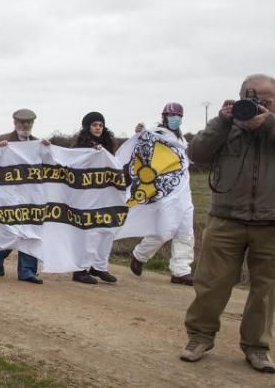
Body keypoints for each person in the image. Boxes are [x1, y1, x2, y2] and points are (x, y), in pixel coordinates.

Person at [180, 74, 275, 373]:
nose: (259, 104)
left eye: (267, 99)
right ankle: (200, 337)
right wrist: (221, 122)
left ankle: (257, 347)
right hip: (225, 219)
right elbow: (195, 154)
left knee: (266, 290)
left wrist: (269, 123)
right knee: (211, 283)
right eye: (254, 97)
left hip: (270, 222)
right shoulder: (226, 126)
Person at [129, 103, 195, 285]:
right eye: (172, 115)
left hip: (184, 192)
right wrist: (138, 133)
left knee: (185, 233)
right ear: (164, 116)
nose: (176, 118)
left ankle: (181, 271)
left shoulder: (181, 139)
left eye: (179, 115)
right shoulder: (156, 133)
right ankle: (140, 255)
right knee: (165, 230)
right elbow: (141, 149)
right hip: (167, 191)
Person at [0, 108, 44, 284]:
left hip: (30, 196)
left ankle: (27, 270)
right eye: (22, 122)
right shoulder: (2, 140)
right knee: (13, 230)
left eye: (29, 122)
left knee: (31, 231)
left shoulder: (37, 143)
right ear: (15, 123)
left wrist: (49, 149)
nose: (25, 125)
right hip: (9, 195)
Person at [71, 111, 119, 285]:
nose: (98, 128)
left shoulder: (107, 146)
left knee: (108, 229)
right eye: (94, 125)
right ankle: (81, 269)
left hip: (105, 195)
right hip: (87, 195)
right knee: (90, 232)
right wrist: (92, 153)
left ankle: (99, 266)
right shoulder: (80, 148)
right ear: (87, 127)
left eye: (100, 125)